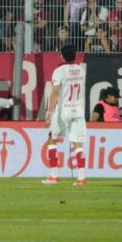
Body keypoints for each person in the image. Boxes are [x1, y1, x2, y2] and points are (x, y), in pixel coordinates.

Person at [43, 44, 87, 186]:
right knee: (78, 143)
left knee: (52, 139)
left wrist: (49, 112)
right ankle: (81, 178)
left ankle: (54, 175)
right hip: (78, 110)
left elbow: (55, 92)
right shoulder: (81, 70)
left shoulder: (59, 71)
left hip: (64, 110)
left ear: (62, 56)